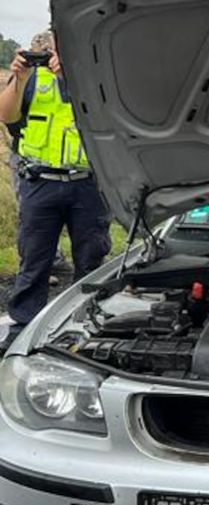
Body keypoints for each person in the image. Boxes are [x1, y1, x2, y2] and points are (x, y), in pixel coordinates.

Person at [0, 31, 111, 348]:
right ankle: (24, 326)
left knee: (90, 260)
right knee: (34, 260)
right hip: (40, 182)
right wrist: (19, 78)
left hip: (88, 184)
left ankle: (85, 325)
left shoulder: (94, 79)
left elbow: (105, 117)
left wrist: (71, 79)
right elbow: (6, 115)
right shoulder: (32, 79)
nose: (49, 57)